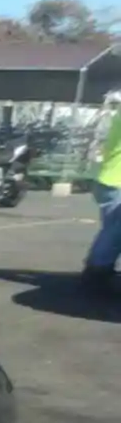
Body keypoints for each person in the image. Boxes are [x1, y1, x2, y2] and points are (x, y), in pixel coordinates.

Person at [83, 91, 121, 291]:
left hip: (109, 179)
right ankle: (97, 272)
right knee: (115, 232)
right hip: (117, 180)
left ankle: (99, 269)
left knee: (112, 230)